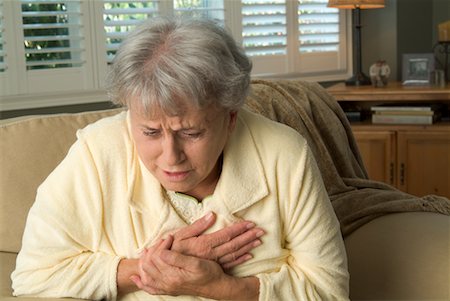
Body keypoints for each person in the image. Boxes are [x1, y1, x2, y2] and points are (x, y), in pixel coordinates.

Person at [12, 17, 349, 300]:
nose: (171, 157)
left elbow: (329, 289)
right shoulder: (96, 153)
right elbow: (32, 276)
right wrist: (149, 269)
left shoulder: (284, 153)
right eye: (150, 132)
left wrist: (222, 287)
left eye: (191, 133)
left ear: (230, 117)